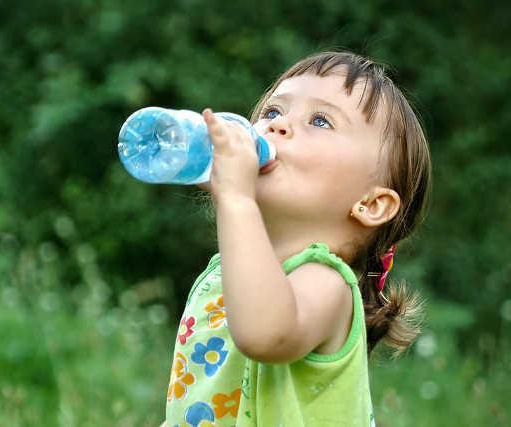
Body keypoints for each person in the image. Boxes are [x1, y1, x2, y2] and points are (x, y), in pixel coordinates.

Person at [163, 51, 431, 427]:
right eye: (272, 112)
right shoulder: (221, 276)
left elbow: (265, 334)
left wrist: (237, 200)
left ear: (371, 204)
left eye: (320, 120)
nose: (278, 125)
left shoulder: (327, 283)